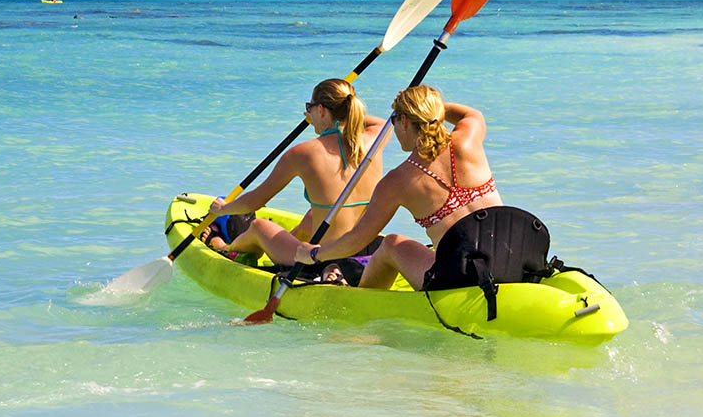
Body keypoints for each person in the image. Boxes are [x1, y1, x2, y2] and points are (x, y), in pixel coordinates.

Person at [294, 85, 502, 290]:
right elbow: (472, 113)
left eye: (394, 119)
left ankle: (359, 302)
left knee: (391, 244)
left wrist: (314, 254)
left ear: (404, 121)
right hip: (510, 257)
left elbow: (357, 239)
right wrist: (427, 107)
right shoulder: (468, 139)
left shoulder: (397, 181)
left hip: (459, 279)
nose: (393, 126)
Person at [201, 78, 389, 269]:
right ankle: (286, 242)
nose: (307, 113)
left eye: (310, 107)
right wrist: (343, 114)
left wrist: (223, 209)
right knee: (310, 218)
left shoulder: (303, 153)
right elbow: (384, 122)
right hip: (367, 254)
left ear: (322, 110)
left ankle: (225, 248)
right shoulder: (375, 139)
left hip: (321, 258)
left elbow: (255, 201)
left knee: (259, 227)